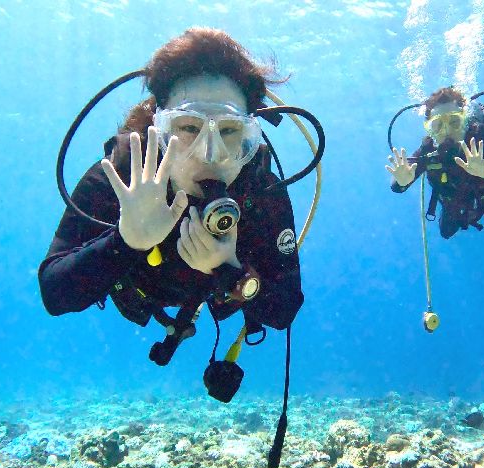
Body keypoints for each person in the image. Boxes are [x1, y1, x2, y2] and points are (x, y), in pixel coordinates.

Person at [39, 27, 306, 390]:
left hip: (211, 292)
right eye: (188, 127)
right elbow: (55, 293)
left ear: (250, 136)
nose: (210, 155)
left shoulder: (260, 189)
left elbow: (284, 310)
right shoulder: (122, 175)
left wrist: (230, 271)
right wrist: (127, 240)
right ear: (159, 129)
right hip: (144, 289)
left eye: (229, 131)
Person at [386, 87, 484, 239]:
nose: (447, 131)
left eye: (454, 122)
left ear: (465, 121)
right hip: (454, 198)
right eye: (438, 125)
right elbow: (398, 184)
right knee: (446, 232)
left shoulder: (481, 138)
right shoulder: (428, 148)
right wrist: (402, 182)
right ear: (430, 130)